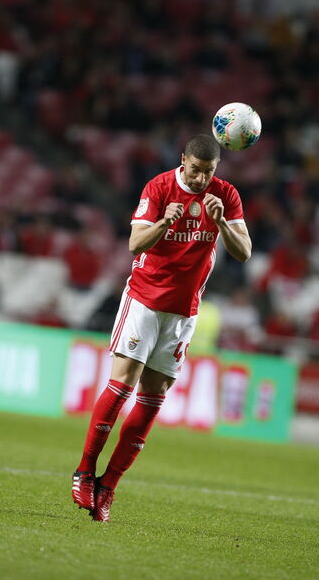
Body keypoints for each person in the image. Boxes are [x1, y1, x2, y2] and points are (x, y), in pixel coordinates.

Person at [72, 135, 251, 522]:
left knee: (153, 400)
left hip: (183, 313)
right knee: (121, 387)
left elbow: (244, 252)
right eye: (195, 169)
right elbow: (136, 243)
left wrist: (221, 222)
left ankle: (108, 486)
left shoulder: (226, 195)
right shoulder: (159, 187)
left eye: (209, 172)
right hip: (144, 301)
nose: (202, 178)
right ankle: (85, 470)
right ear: (182, 160)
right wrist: (165, 222)